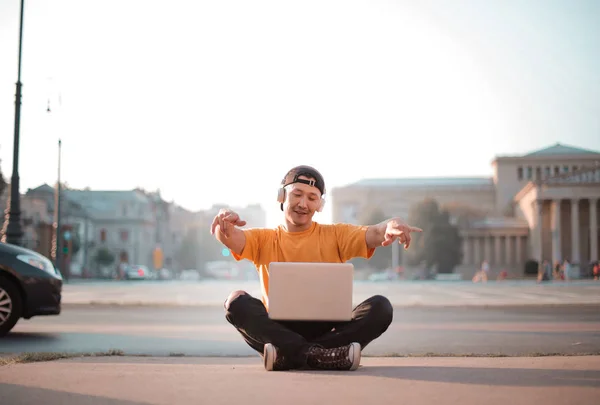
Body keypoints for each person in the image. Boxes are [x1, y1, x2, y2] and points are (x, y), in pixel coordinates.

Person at [210, 165, 422, 372]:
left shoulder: (336, 235)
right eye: (297, 194)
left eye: (312, 198)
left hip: (325, 329)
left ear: (320, 204)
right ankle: (321, 355)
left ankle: (289, 355)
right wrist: (223, 222)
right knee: (235, 302)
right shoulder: (264, 239)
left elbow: (375, 232)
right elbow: (230, 237)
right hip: (277, 330)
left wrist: (392, 224)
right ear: (281, 196)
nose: (303, 204)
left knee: (381, 307)